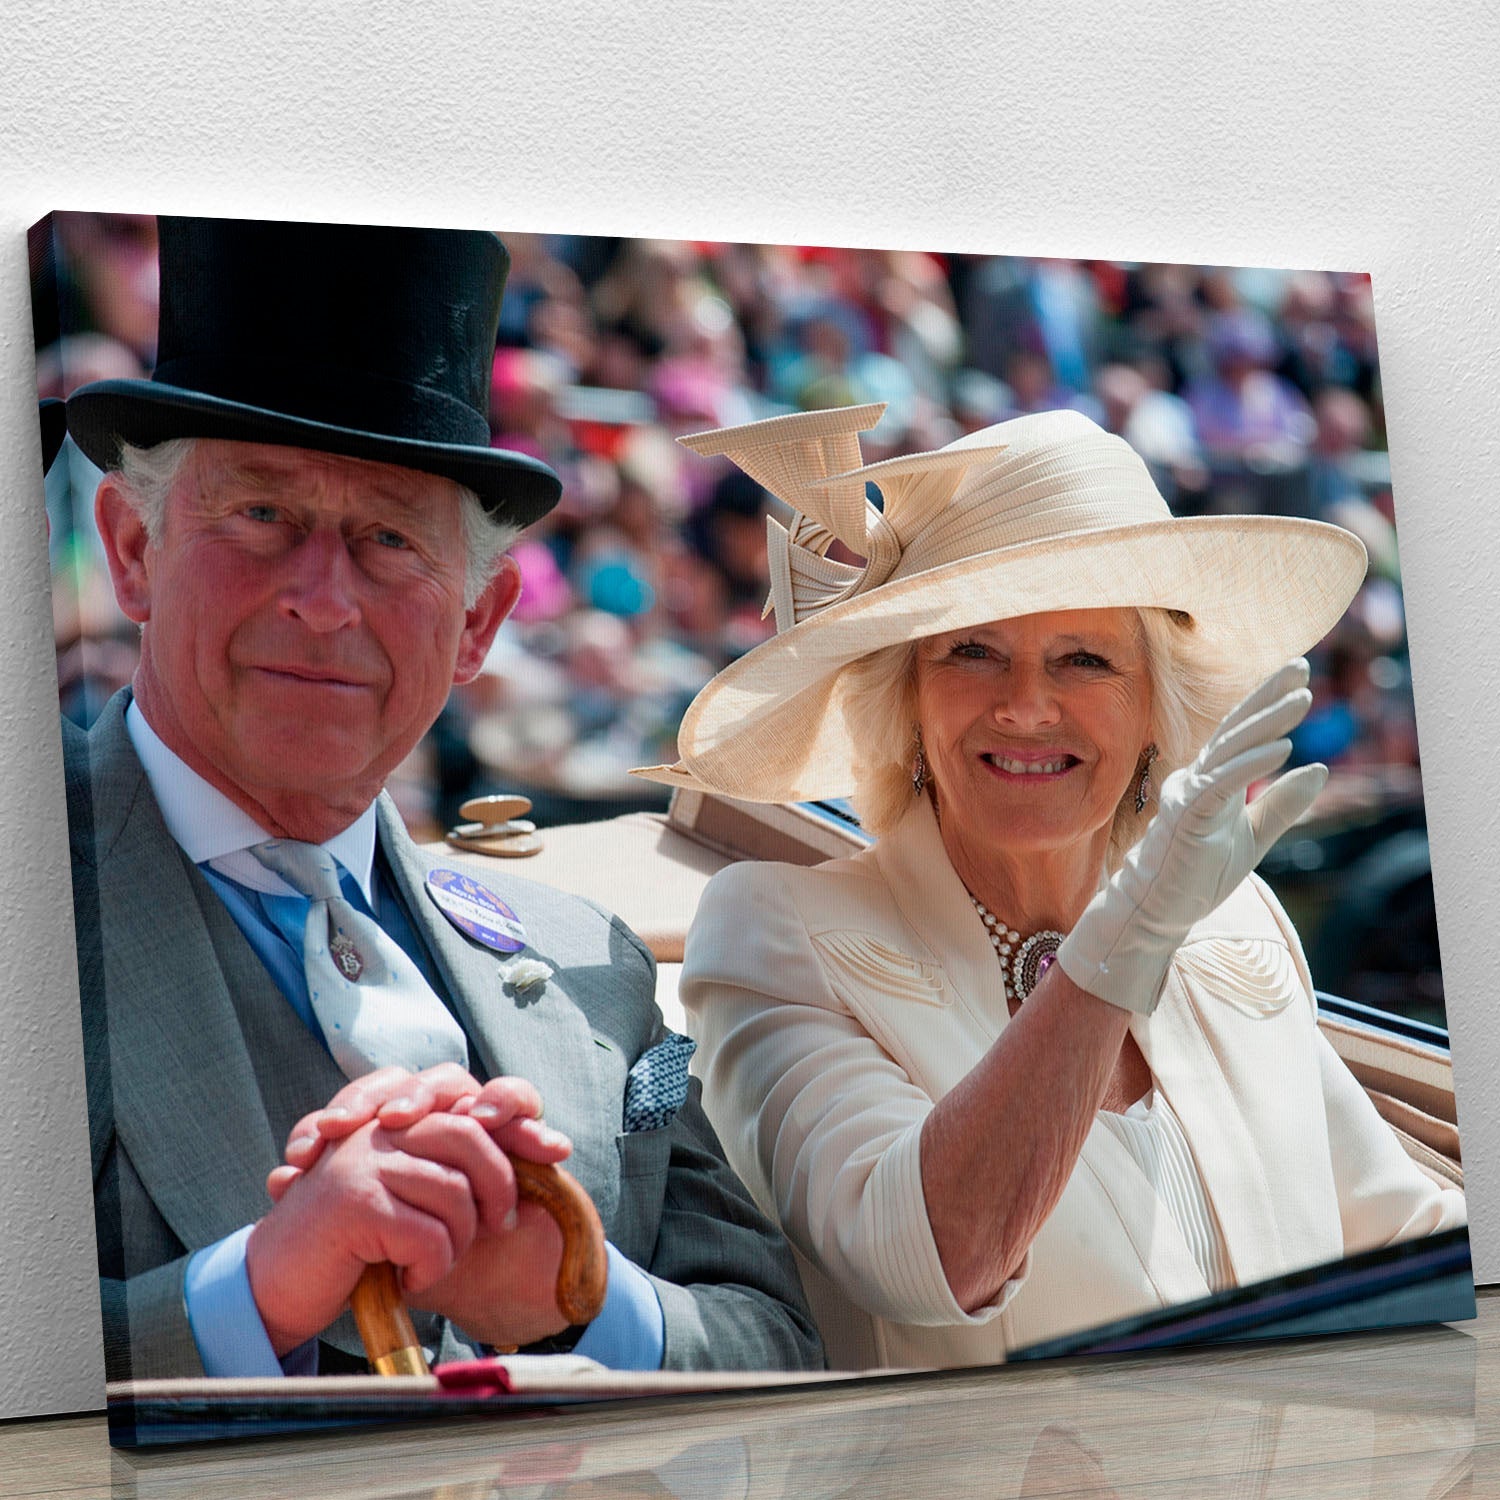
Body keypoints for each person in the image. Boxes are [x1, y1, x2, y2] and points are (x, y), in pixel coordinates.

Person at [61, 216, 821, 1382]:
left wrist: (576, 1291)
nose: (322, 598)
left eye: (387, 540)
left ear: (477, 625)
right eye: (260, 514)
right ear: (130, 550)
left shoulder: (592, 971)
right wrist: (256, 1290)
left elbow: (776, 1350)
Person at [637, 403, 1466, 1369]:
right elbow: (927, 1258)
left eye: (1084, 660)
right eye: (972, 652)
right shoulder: (780, 930)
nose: (1027, 705)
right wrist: (1124, 943)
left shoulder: (1229, 921)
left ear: (1156, 707)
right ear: (905, 697)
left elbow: (1403, 1237)